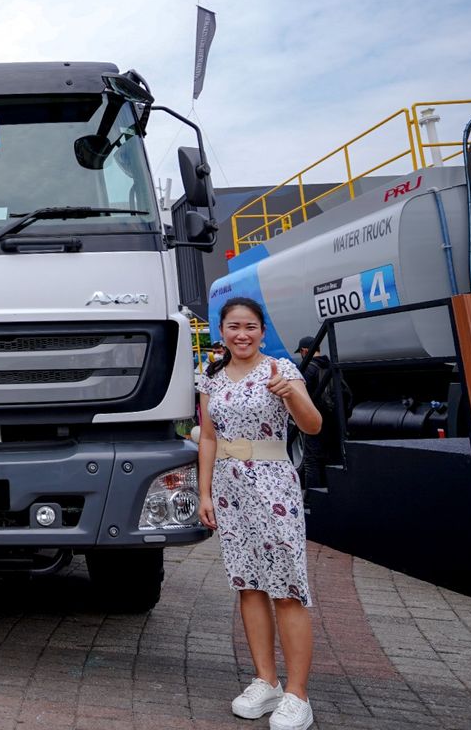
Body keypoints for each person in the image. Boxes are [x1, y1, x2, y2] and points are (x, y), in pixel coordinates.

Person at [197, 297, 323, 730]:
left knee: (286, 587)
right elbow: (208, 438)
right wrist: (205, 492)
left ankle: (297, 694)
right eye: (234, 326)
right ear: (222, 330)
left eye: (250, 326)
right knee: (248, 584)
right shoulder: (210, 376)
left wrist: (292, 395)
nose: (242, 334)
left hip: (272, 484)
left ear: (262, 331)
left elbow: (313, 425)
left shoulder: (282, 371)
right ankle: (266, 680)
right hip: (229, 489)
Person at [293, 336, 344, 488]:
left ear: (304, 351)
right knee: (333, 456)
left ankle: (311, 498)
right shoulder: (331, 365)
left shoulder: (307, 368)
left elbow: (301, 397)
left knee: (312, 460)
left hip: (314, 418)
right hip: (333, 418)